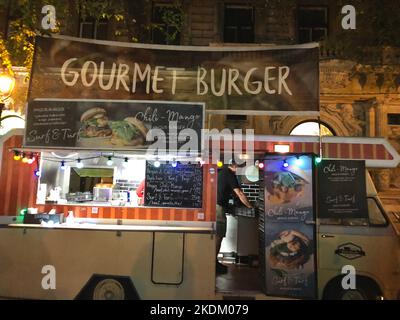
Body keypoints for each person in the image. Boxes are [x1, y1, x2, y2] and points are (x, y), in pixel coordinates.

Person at [216, 161, 253, 274]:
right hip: (218, 208)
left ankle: (214, 262)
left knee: (218, 235)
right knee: (219, 235)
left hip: (217, 206)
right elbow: (239, 193)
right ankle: (213, 263)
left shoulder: (222, 172)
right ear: (234, 165)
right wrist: (250, 206)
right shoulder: (229, 174)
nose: (240, 170)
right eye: (240, 167)